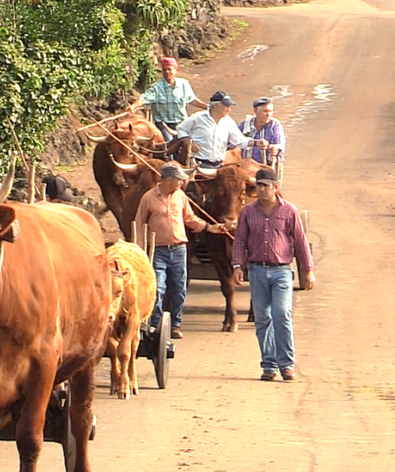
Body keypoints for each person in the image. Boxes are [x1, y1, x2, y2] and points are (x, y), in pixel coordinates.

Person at [231, 167, 315, 381]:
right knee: (262, 318)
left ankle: (286, 365)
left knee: (282, 314)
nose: (262, 190)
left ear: (275, 188)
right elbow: (240, 240)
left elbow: (300, 242)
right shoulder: (248, 212)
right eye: (259, 186)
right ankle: (269, 365)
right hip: (257, 270)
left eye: (266, 186)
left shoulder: (289, 211)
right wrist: (237, 266)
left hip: (281, 272)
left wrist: (308, 271)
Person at [135, 163, 225, 339]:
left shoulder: (180, 196)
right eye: (179, 180)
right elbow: (139, 224)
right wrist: (140, 250)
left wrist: (210, 227)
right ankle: (155, 324)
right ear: (169, 180)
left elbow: (190, 219)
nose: (182, 183)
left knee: (179, 288)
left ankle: (175, 324)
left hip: (179, 249)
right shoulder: (148, 198)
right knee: (158, 287)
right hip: (158, 249)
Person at [176, 91, 268, 168]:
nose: (229, 109)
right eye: (226, 106)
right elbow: (180, 129)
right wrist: (189, 142)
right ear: (215, 106)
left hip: (219, 165)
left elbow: (239, 140)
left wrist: (256, 143)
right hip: (199, 164)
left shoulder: (228, 121)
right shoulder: (198, 118)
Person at [129, 57, 207, 142]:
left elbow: (191, 99)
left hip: (182, 123)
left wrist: (207, 106)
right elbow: (143, 99)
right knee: (169, 145)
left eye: (169, 69)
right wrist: (133, 107)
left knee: (190, 144)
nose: (167, 72)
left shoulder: (184, 84)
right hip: (163, 124)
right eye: (164, 70)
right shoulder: (156, 88)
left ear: (176, 70)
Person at [237, 96, 287, 180]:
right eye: (265, 111)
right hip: (247, 168)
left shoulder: (275, 125)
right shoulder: (245, 124)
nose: (268, 114)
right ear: (255, 111)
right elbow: (234, 140)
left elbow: (280, 144)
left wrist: (275, 148)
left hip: (268, 167)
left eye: (270, 111)